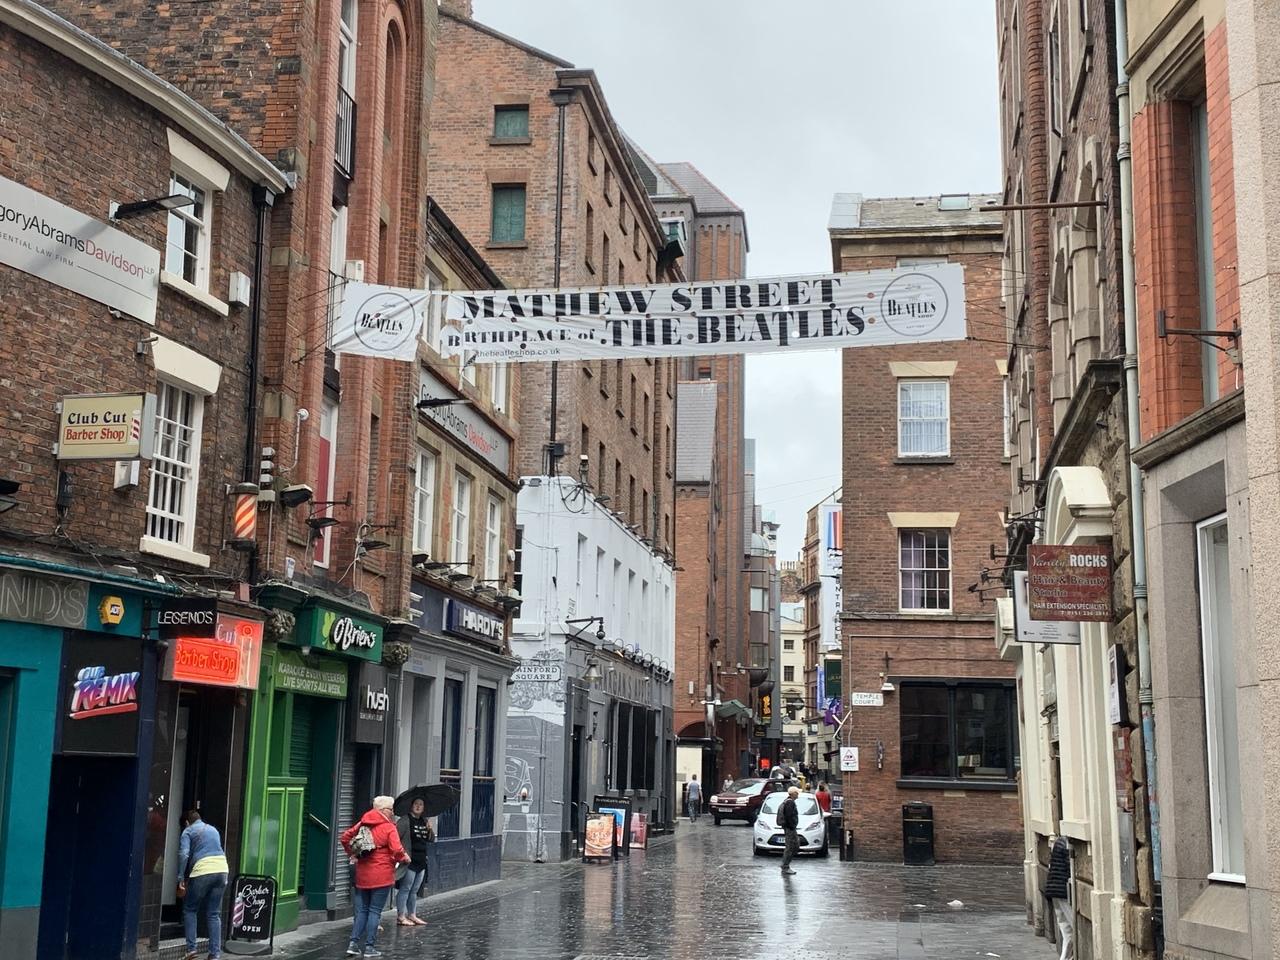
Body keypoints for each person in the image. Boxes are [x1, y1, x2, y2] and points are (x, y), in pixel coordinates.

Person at [341, 795, 409, 958]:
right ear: (383, 810)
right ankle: (369, 947)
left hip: (363, 874)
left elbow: (345, 837)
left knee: (362, 910)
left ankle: (353, 944)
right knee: (374, 911)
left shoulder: (363, 823)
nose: (393, 812)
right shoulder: (388, 827)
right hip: (382, 874)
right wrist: (404, 857)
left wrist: (352, 854)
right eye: (391, 809)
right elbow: (397, 849)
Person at [176, 809, 229, 960]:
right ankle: (215, 954)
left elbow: (184, 854)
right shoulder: (213, 830)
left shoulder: (188, 831)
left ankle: (191, 949)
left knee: (190, 909)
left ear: (187, 822)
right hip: (222, 869)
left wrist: (180, 877)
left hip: (203, 870)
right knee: (214, 913)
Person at [395, 798, 434, 926]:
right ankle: (401, 916)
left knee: (414, 890)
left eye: (421, 804)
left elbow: (430, 839)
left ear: (423, 808)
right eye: (416, 804)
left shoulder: (424, 821)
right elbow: (395, 838)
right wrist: (402, 853)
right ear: (411, 806)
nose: (418, 806)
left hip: (421, 860)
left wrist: (430, 829)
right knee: (405, 888)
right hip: (409, 861)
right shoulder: (405, 820)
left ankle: (412, 914)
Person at [1043, 834, 1073, 960]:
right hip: (1063, 893)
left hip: (1054, 892)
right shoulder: (1065, 843)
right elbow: (1070, 868)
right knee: (1071, 930)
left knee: (1067, 932)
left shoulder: (1059, 842)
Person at [778, 786, 801, 875]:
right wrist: (792, 826)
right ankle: (785, 866)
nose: (798, 795)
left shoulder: (787, 801)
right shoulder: (790, 803)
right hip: (790, 828)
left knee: (793, 846)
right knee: (791, 846)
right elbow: (789, 816)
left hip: (789, 828)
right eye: (797, 793)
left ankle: (785, 865)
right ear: (793, 794)